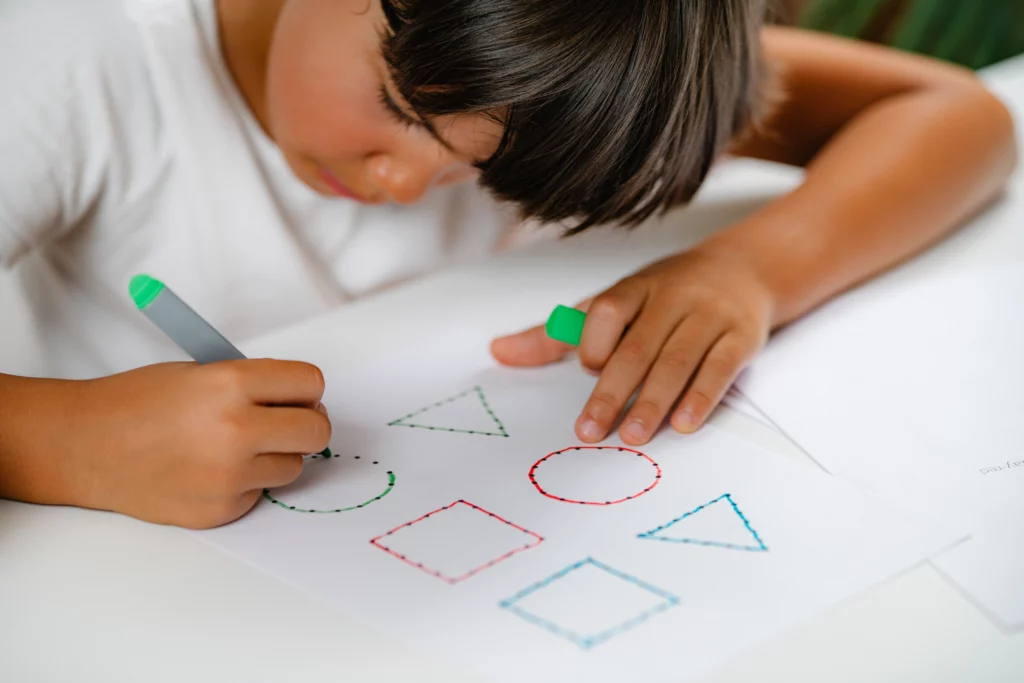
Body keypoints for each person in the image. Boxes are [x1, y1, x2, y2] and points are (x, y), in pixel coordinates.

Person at [0, 0, 1015, 529]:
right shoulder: (75, 55)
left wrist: (748, 270)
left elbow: (955, 116)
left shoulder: (574, 58)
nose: (406, 183)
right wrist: (58, 444)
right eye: (404, 113)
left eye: (475, 170)